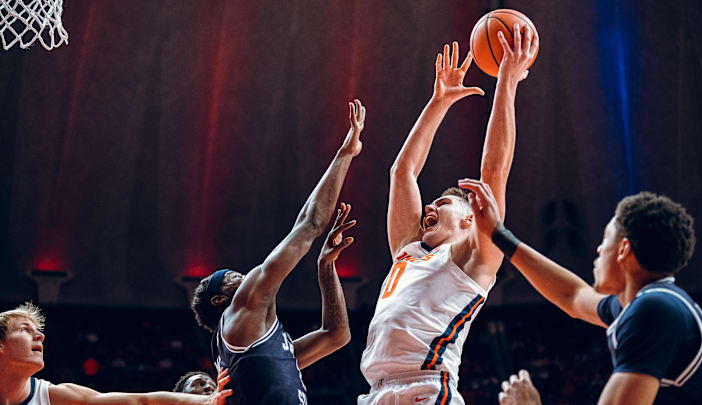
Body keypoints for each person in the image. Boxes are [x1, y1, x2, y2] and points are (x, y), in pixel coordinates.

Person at [358, 25, 539, 405]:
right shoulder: (408, 253)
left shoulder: (473, 260)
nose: (430, 206)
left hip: (426, 388)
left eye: (442, 203)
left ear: (470, 219)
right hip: (376, 392)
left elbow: (494, 171)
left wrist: (506, 81)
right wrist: (438, 102)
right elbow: (403, 171)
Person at [458, 178, 702, 404]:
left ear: (624, 249)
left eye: (606, 238)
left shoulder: (655, 310)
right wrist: (498, 234)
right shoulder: (653, 304)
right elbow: (571, 296)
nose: (598, 250)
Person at [191, 100, 365, 404]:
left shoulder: (260, 344)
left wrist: (325, 267)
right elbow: (309, 225)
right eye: (233, 277)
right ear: (220, 300)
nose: (245, 276)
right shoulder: (239, 312)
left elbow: (336, 336)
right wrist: (345, 155)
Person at [0, 302, 233, 405]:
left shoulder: (52, 396)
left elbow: (142, 400)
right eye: (24, 330)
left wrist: (208, 402)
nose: (40, 336)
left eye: (38, 331)